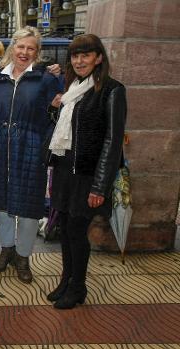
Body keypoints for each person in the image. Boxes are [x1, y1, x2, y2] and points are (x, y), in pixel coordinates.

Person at [0, 26, 60, 284]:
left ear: (37, 51)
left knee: (30, 206)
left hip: (31, 145)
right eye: (20, 47)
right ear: (13, 47)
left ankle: (23, 257)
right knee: (2, 202)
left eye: (30, 48)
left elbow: (57, 114)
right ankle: (6, 250)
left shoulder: (45, 79)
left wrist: (43, 144)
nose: (24, 52)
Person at [46, 34, 126, 309]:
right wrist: (54, 108)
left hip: (88, 175)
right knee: (65, 230)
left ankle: (78, 287)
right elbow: (64, 130)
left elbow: (113, 141)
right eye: (75, 56)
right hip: (65, 169)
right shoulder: (72, 89)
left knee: (77, 231)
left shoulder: (112, 90)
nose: (79, 60)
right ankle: (67, 279)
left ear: (98, 58)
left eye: (86, 55)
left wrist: (99, 187)